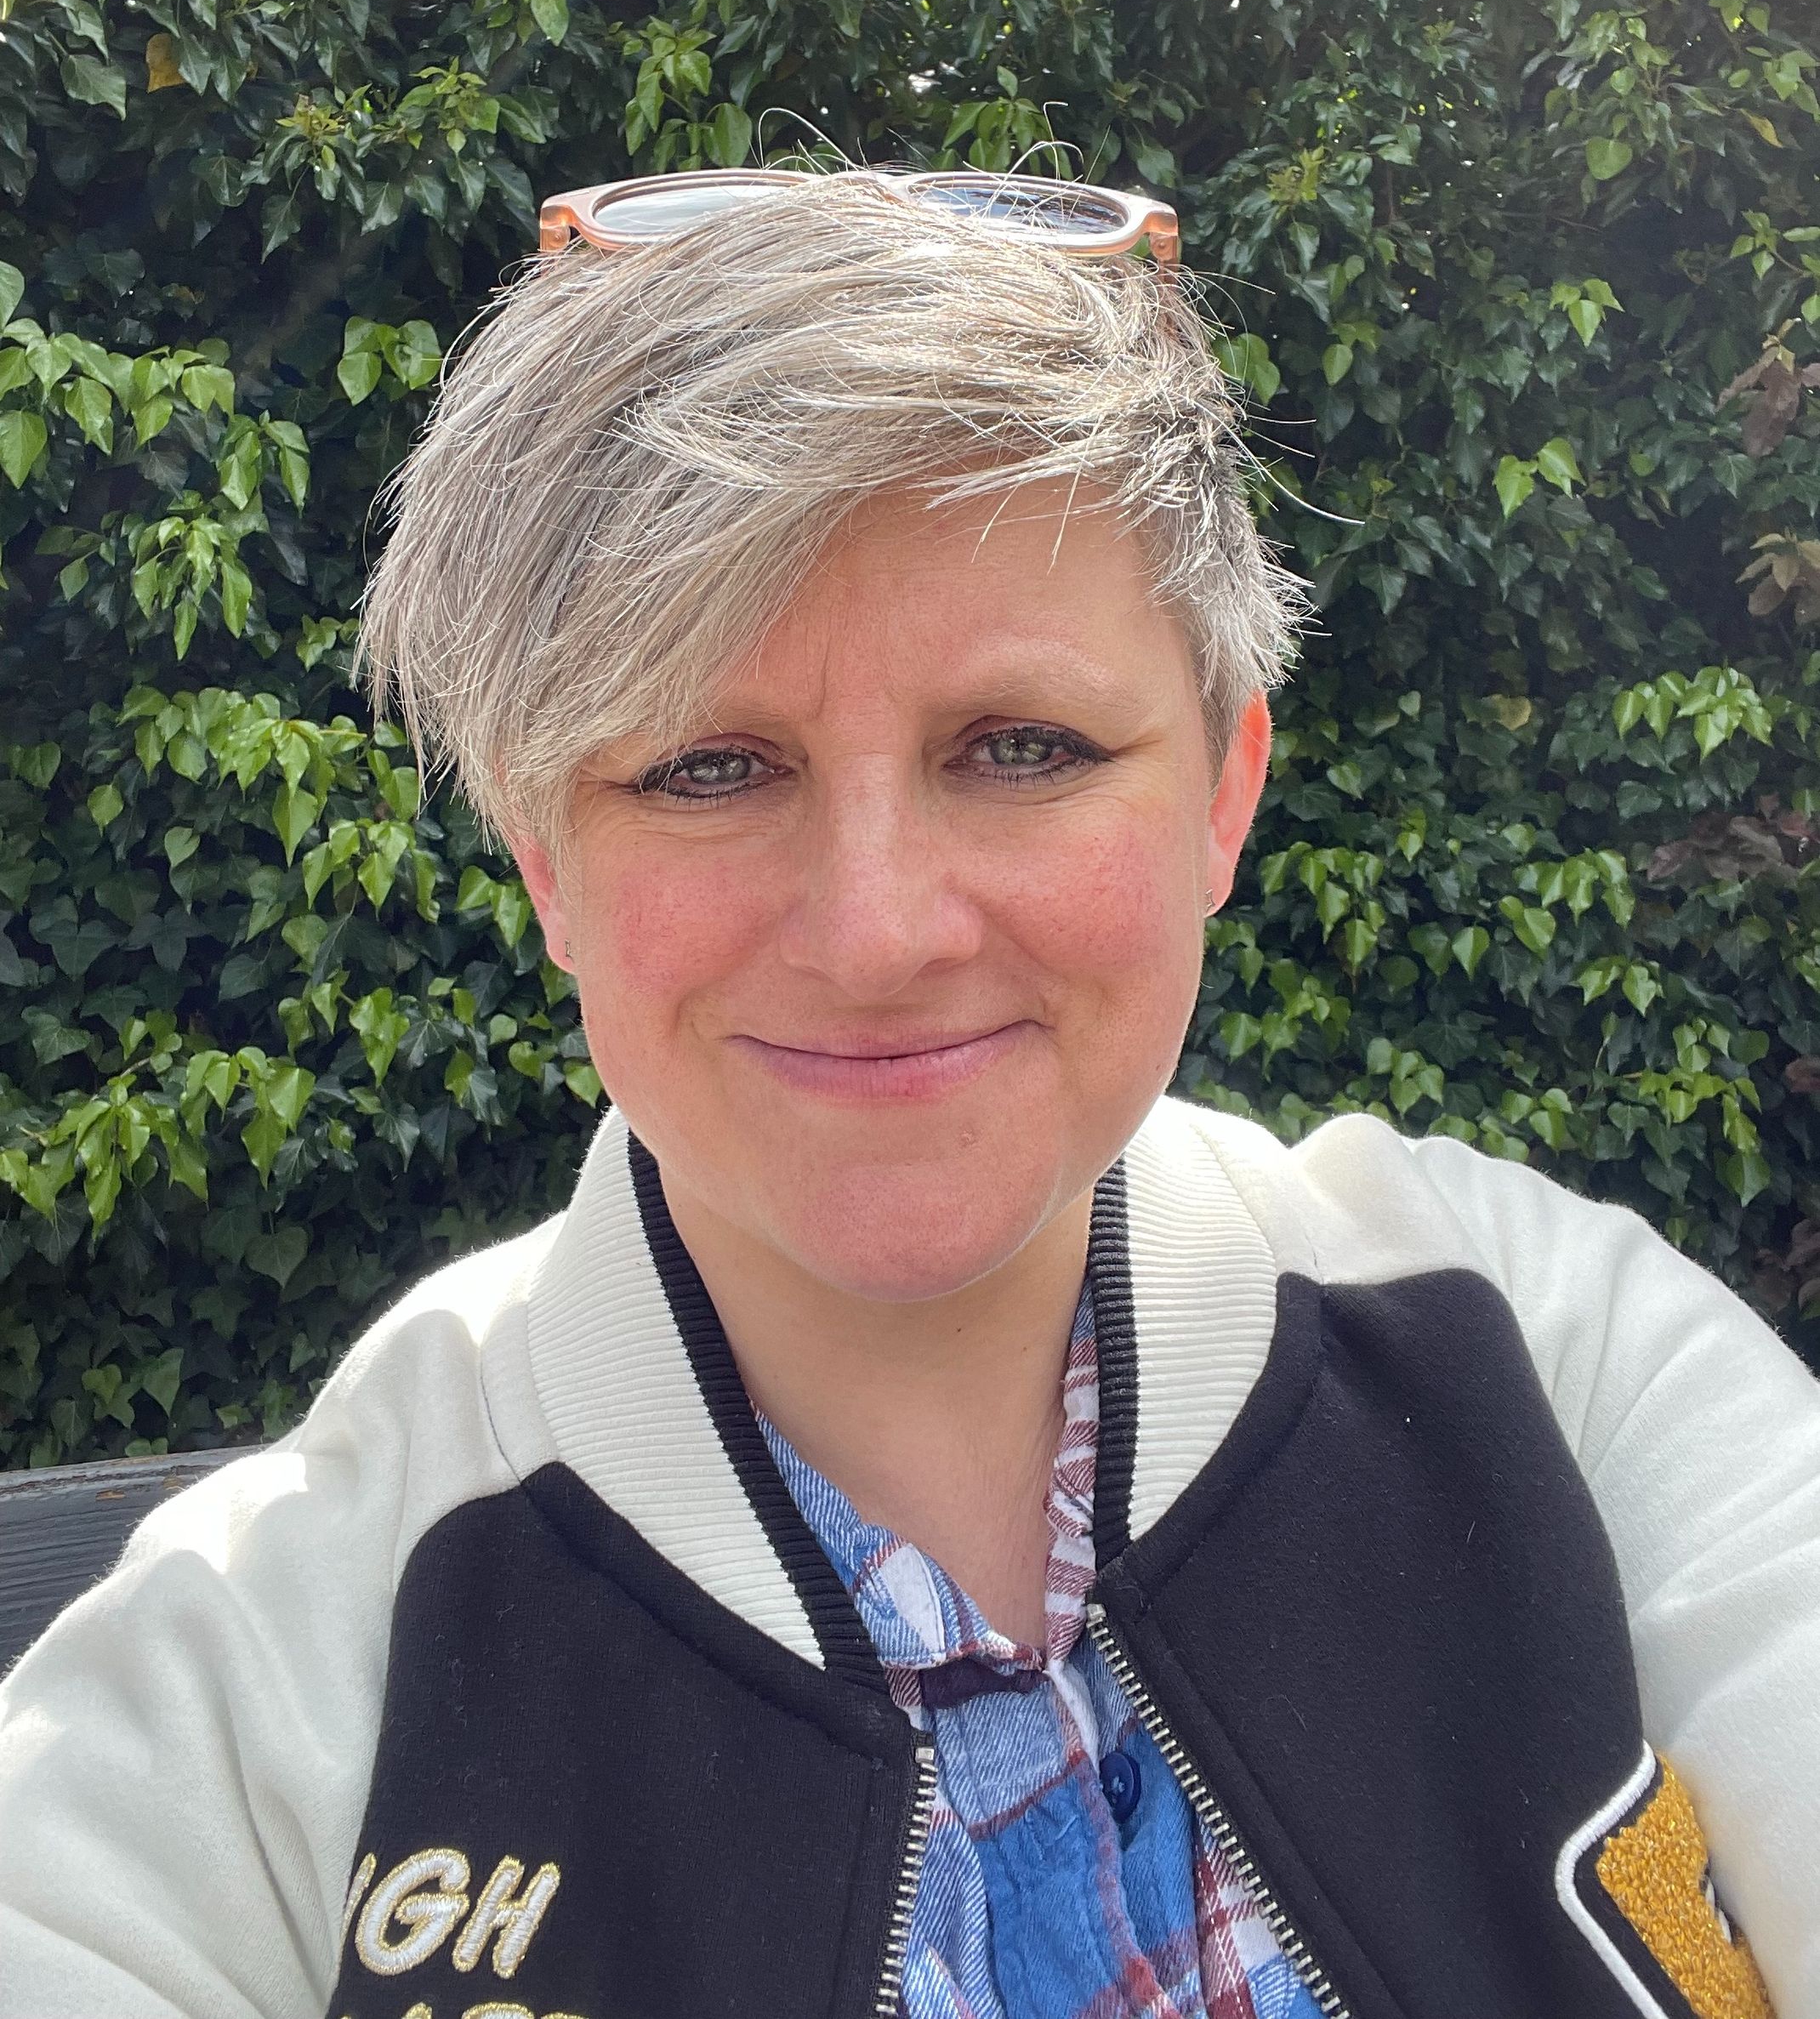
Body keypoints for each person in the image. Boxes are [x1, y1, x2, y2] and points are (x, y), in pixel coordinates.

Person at [0, 167, 1816, 2019]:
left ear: (1219, 786)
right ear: (543, 854)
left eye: (1018, 746)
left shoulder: (1558, 1350)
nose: (874, 930)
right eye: (706, 766)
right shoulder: (260, 1684)